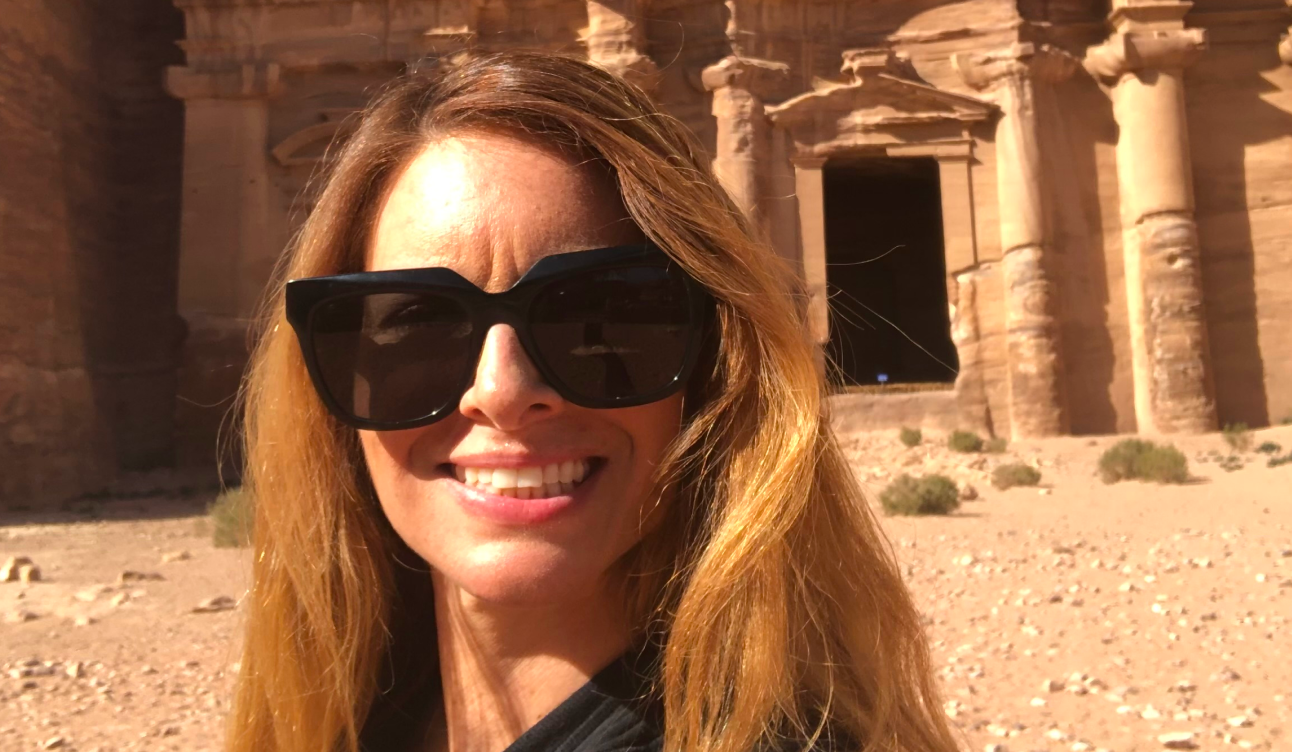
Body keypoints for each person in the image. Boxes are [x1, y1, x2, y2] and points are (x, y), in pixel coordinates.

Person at [227, 51, 959, 752]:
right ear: (328, 385)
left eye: (599, 319)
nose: (502, 392)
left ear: (715, 364)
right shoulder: (358, 726)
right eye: (417, 326)